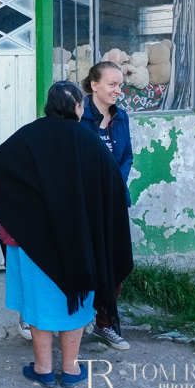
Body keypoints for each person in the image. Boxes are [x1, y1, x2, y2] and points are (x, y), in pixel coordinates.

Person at [0, 81, 133, 388]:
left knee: (38, 304)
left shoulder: (29, 136)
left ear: (48, 107)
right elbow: (114, 187)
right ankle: (70, 369)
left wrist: (18, 215)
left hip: (34, 243)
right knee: (77, 302)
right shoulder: (90, 141)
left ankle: (42, 369)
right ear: (78, 108)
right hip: (81, 243)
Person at [80, 61, 133, 351]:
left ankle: (104, 323)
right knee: (81, 261)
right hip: (85, 204)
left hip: (113, 203)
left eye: (120, 85)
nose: (117, 90)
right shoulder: (78, 116)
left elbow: (127, 156)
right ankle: (69, 321)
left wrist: (115, 185)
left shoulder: (121, 117)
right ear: (94, 85)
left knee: (115, 264)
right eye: (112, 84)